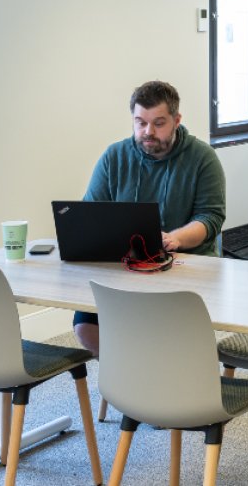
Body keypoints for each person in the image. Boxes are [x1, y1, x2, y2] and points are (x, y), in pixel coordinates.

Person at [73, 80, 226, 355]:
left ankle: (151, 371)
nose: (148, 132)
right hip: (125, 266)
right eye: (140, 122)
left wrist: (176, 238)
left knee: (163, 334)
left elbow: (210, 218)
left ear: (176, 120)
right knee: (86, 326)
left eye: (158, 123)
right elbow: (90, 213)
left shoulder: (203, 158)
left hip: (185, 268)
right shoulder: (114, 156)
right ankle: (132, 373)